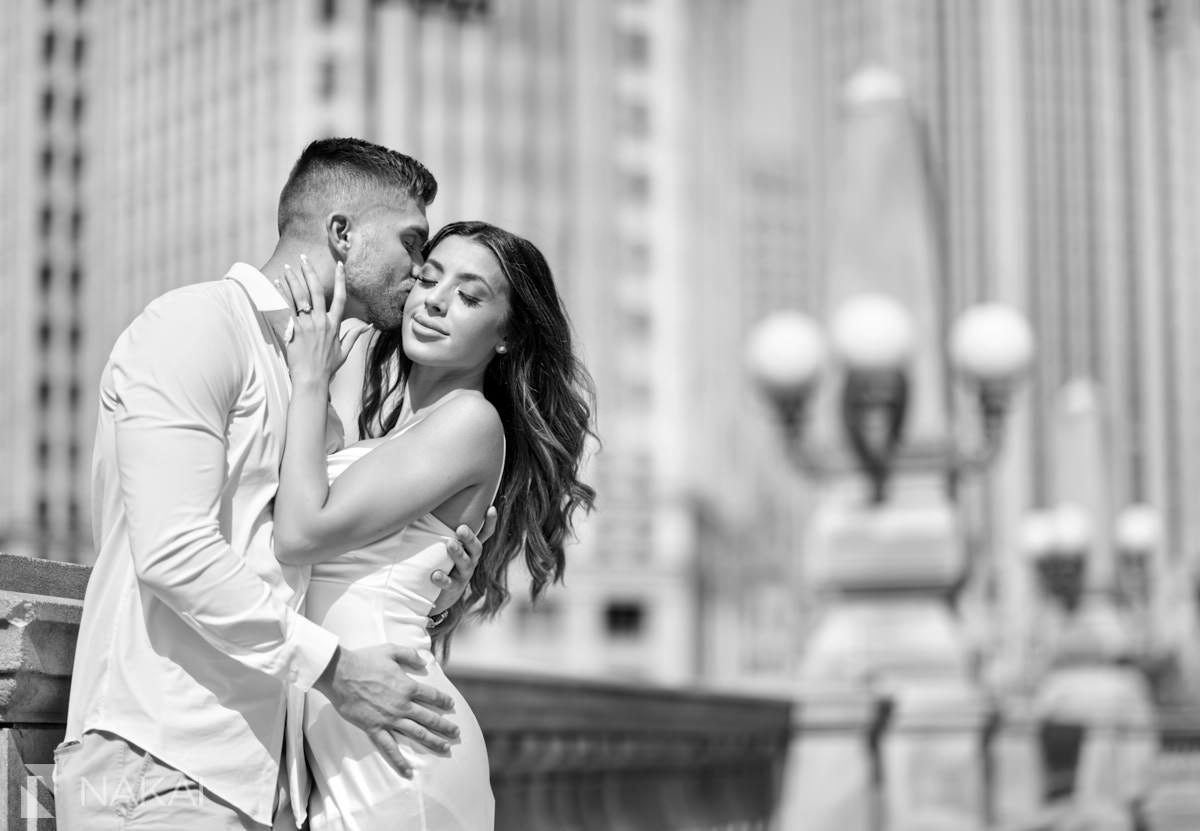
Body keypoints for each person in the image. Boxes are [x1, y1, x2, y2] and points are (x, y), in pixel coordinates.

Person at [55, 138, 492, 830]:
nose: (420, 272)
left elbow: (310, 563)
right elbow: (173, 550)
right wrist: (336, 668)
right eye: (412, 244)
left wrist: (436, 579)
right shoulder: (196, 325)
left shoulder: (309, 386)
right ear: (342, 235)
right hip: (160, 763)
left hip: (273, 783)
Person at [270, 221, 596, 830]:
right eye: (427, 277)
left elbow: (297, 534)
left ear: (506, 336)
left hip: (401, 755)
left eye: (470, 296)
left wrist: (309, 377)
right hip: (358, 737)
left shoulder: (469, 421)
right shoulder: (399, 435)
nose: (436, 301)